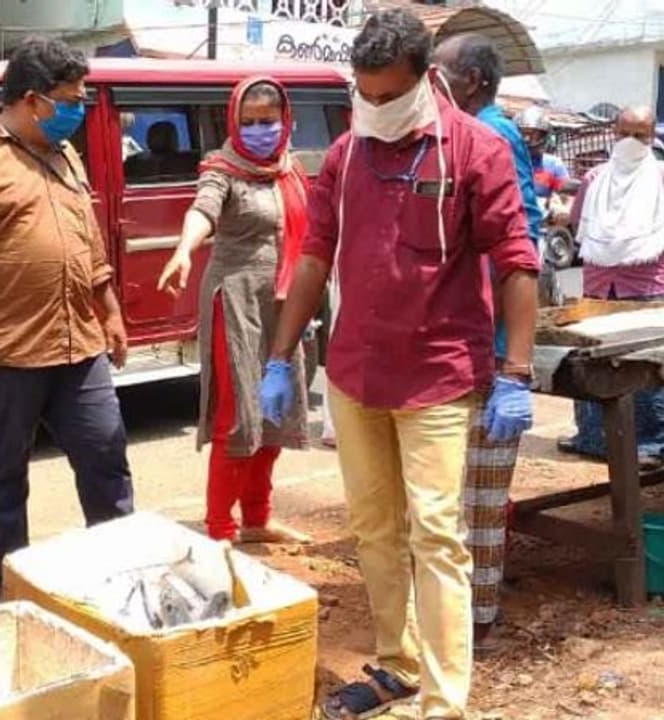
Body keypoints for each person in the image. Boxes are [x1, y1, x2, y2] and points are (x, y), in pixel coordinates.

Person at [260, 9, 538, 719]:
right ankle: (396, 664)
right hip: (357, 373)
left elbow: (515, 260)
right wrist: (280, 355)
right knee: (376, 531)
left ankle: (446, 702)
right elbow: (316, 253)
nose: (375, 108)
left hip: (439, 377)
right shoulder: (348, 156)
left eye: (389, 96)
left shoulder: (474, 151)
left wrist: (516, 370)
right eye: (365, 94)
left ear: (425, 81)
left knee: (437, 536)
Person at [0, 37, 134, 593]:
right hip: (2, 348)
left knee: (105, 452)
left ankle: (119, 571)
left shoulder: (67, 155)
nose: (78, 110)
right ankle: (11, 581)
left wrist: (108, 309)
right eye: (71, 99)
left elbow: (88, 243)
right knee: (3, 474)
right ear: (34, 100)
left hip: (77, 342)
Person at [157, 78, 312, 546]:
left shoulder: (291, 169)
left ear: (285, 121)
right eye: (249, 122)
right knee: (238, 417)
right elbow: (203, 209)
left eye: (268, 121)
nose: (259, 130)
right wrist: (184, 249)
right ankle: (220, 528)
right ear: (233, 122)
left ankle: (258, 519)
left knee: (274, 414)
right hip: (236, 302)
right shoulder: (222, 169)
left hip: (282, 305)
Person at [433, 32, 543, 653]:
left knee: (476, 491)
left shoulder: (490, 136)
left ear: (471, 80)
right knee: (459, 489)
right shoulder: (461, 132)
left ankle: (477, 618)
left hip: (490, 346)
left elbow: (517, 247)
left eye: (441, 70)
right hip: (470, 338)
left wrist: (512, 362)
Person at [560, 106, 664, 463]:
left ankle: (649, 444)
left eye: (640, 135)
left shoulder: (662, 178)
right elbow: (578, 224)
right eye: (624, 133)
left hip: (647, 288)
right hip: (598, 286)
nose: (631, 143)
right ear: (614, 133)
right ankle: (591, 438)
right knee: (589, 362)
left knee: (644, 369)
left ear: (652, 138)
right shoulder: (595, 179)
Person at [515, 105, 573, 200]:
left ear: (543, 135)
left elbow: (565, 195)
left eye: (532, 134)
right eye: (523, 133)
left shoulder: (553, 164)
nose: (527, 139)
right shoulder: (506, 161)